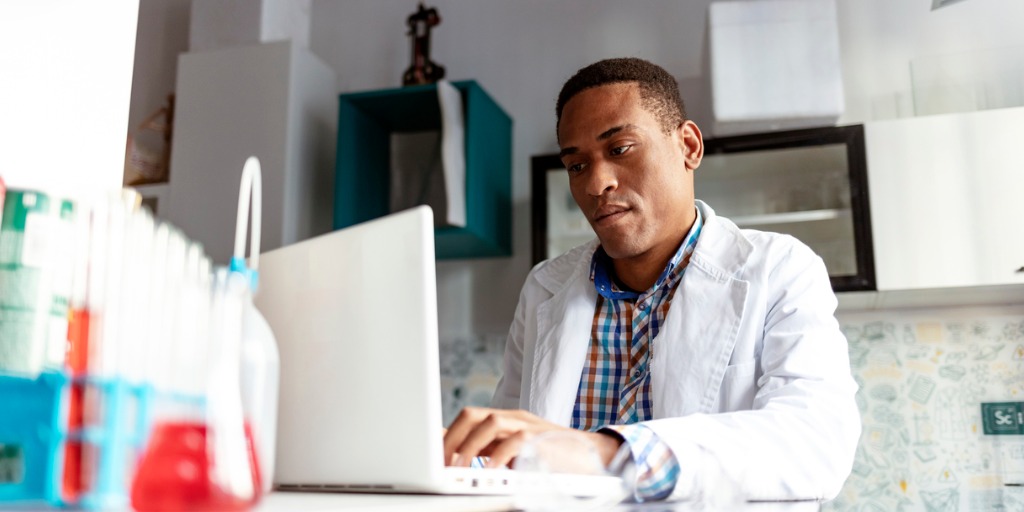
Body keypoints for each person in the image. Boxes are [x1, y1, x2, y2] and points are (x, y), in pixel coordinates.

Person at [443, 57, 860, 502]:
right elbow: (513, 453)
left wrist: (604, 452)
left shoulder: (781, 268)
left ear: (688, 147)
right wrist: (449, 457)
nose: (596, 183)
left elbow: (814, 441)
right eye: (577, 165)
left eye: (620, 149)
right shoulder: (544, 287)